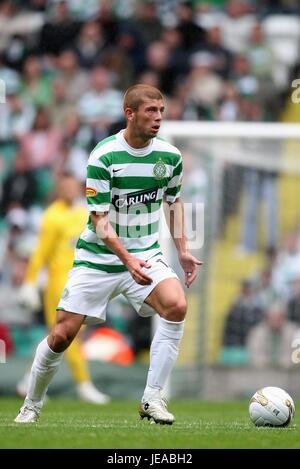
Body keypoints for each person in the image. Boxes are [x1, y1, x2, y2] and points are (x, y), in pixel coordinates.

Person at [14, 84, 202, 425]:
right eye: (150, 111)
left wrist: (184, 251)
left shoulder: (170, 157)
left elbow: (173, 204)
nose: (158, 117)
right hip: (98, 259)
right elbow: (99, 221)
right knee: (61, 335)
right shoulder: (104, 156)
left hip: (145, 254)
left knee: (176, 305)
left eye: (161, 110)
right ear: (129, 114)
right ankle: (31, 404)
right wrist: (126, 260)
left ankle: (152, 398)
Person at [17, 173, 110, 404]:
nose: (69, 190)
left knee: (60, 336)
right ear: (59, 189)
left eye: (72, 186)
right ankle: (84, 384)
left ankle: (29, 380)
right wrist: (30, 282)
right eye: (65, 186)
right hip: (58, 284)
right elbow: (41, 252)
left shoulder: (83, 213)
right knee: (66, 335)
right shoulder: (52, 216)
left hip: (81, 279)